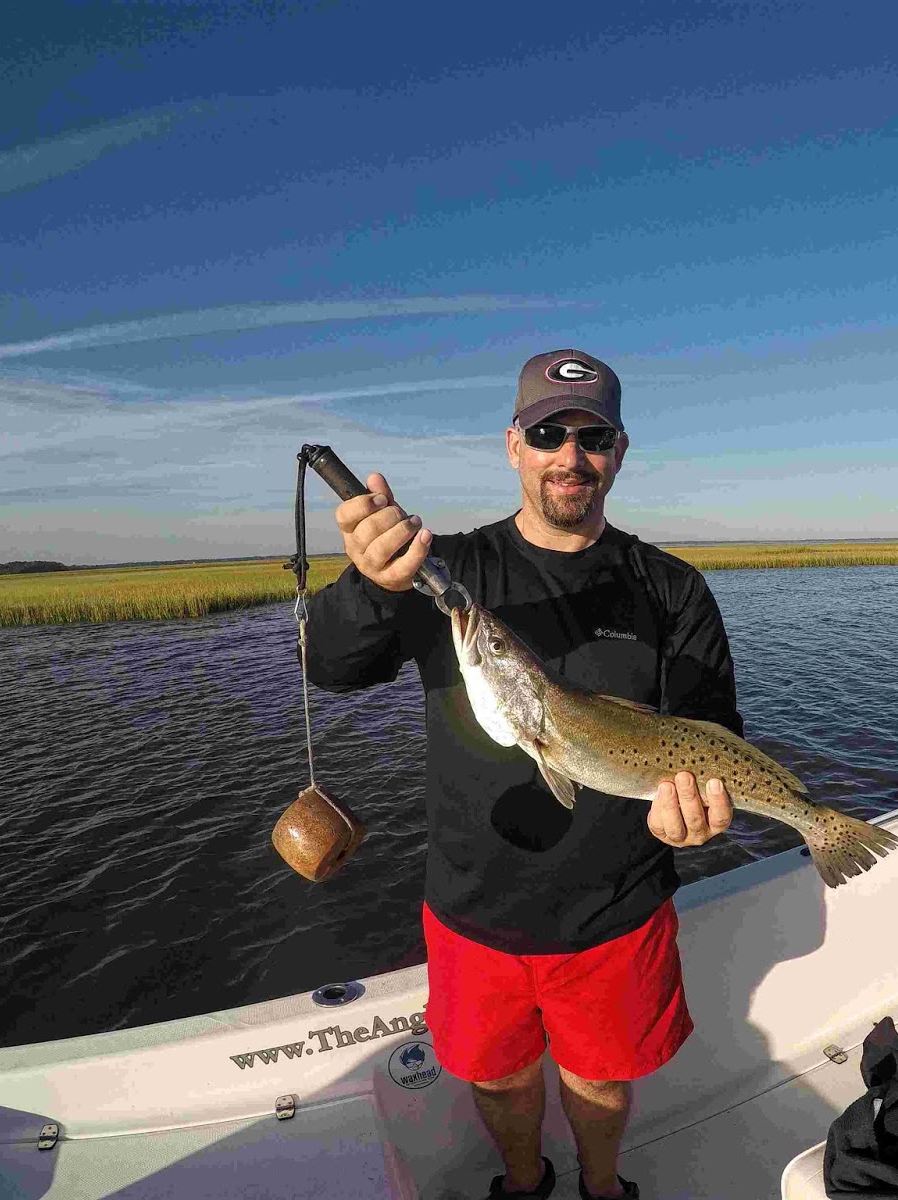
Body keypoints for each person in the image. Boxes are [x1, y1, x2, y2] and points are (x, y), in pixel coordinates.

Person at [304, 349, 744, 1200]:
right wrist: (370, 586)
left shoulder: (673, 588)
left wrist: (699, 811)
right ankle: (523, 1183)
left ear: (620, 451)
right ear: (513, 444)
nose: (570, 456)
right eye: (548, 434)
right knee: (500, 1080)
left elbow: (712, 731)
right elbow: (330, 665)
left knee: (601, 1082)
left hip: (619, 910)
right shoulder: (446, 573)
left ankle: (602, 1188)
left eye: (593, 437)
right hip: (473, 911)